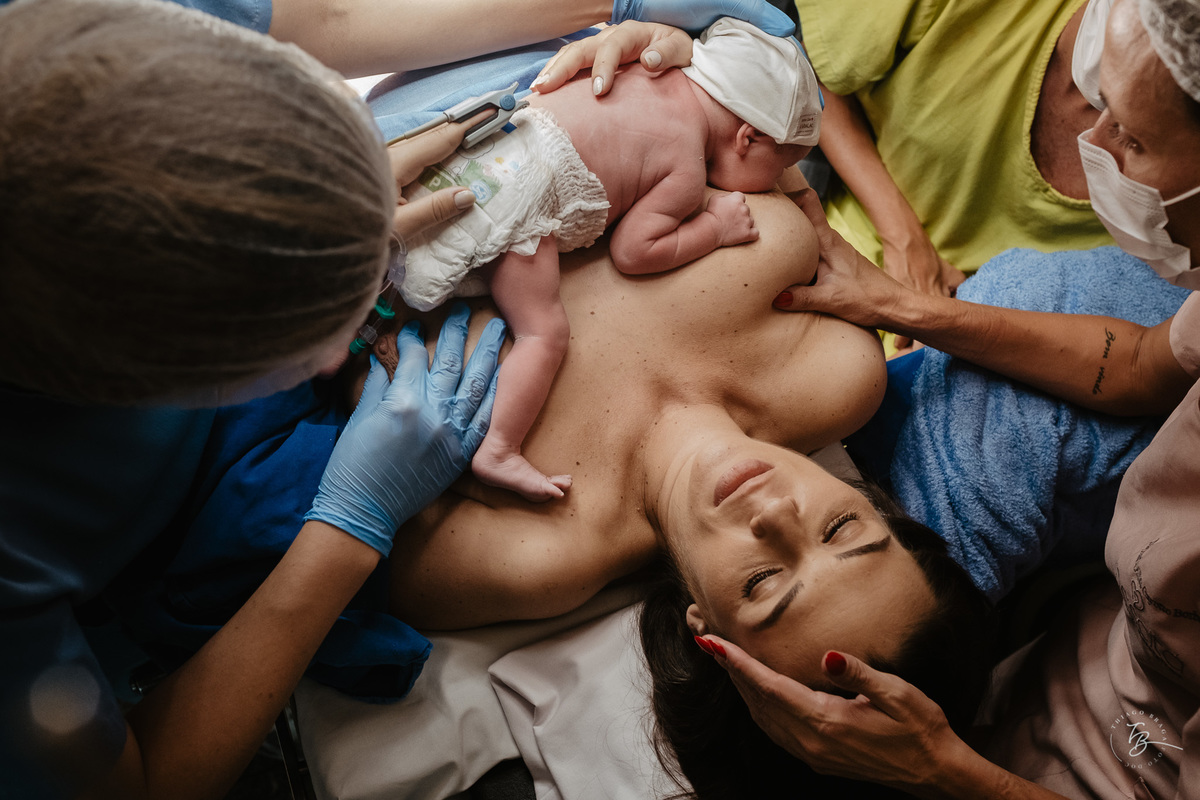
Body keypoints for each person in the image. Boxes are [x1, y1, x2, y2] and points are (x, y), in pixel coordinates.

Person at [0, 0, 794, 796]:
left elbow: (319, 18)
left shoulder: (74, 43)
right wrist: (349, 525)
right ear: (158, 377)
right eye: (339, 312)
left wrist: (612, 6)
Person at [709, 1, 1200, 796]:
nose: (1096, 146)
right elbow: (1142, 363)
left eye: (1135, 141)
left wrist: (941, 771)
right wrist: (904, 306)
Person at [400, 17, 819, 500]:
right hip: (516, 199)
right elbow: (634, 251)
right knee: (544, 333)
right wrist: (715, 229)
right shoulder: (686, 167)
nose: (782, 181)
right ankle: (499, 449)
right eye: (784, 165)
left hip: (477, 148)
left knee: (398, 259)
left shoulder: (642, 68)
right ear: (747, 138)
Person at [796, 0, 1113, 300]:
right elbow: (812, 69)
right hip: (828, 206)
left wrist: (932, 320)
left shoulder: (1149, 217)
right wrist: (902, 235)